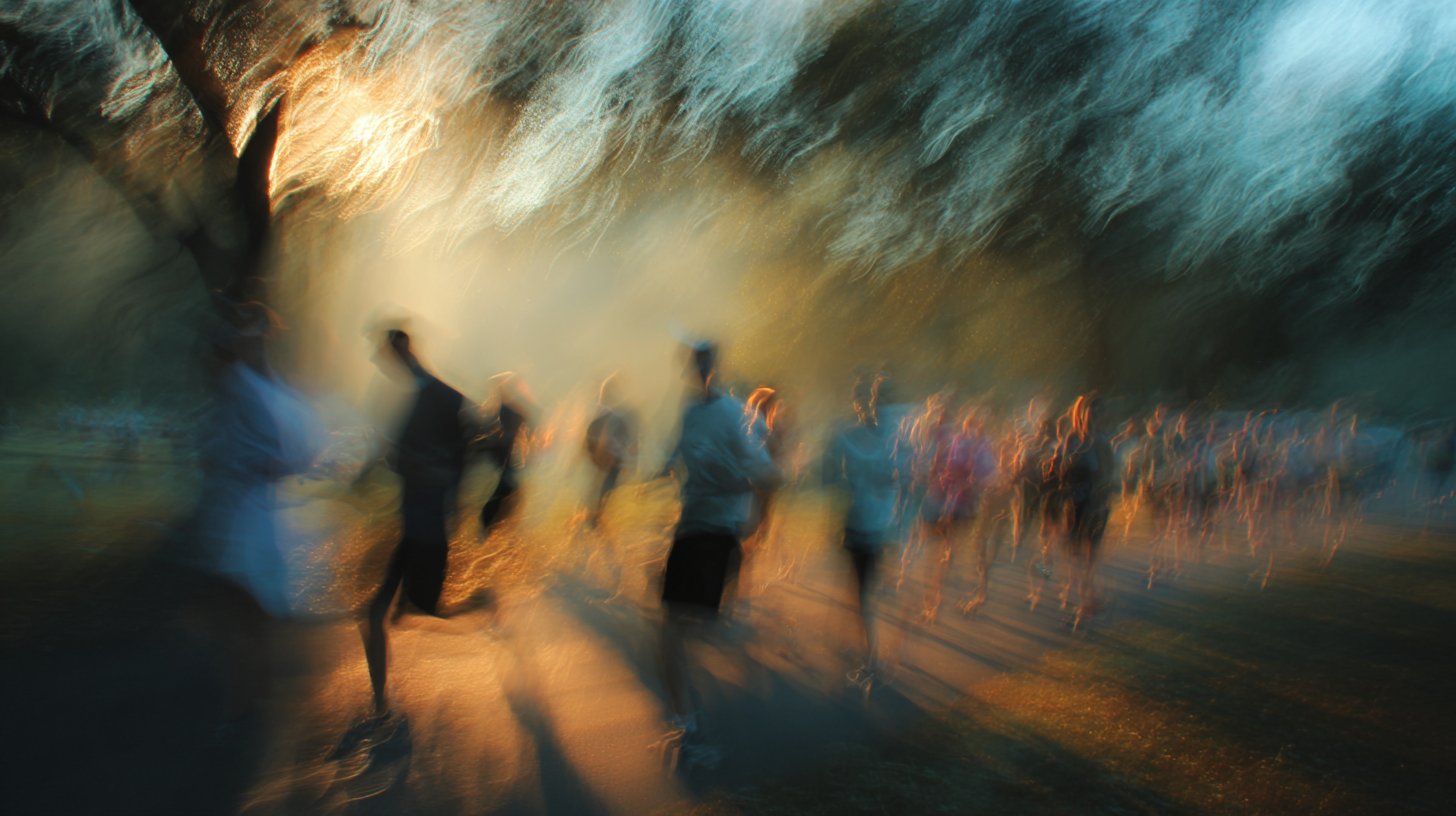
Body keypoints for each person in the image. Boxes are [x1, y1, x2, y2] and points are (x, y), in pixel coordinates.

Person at [654, 341, 781, 770]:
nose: (696, 371)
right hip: (690, 528)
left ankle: (705, 723)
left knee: (694, 629)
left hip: (718, 533)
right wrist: (648, 465)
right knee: (671, 632)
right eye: (691, 363)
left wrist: (743, 488)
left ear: (713, 367)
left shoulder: (733, 414)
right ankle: (690, 728)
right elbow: (668, 457)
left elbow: (768, 474)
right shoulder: (689, 413)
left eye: (703, 364)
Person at [362, 329, 482, 721]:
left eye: (386, 352)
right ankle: (380, 705)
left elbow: (465, 441)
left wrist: (454, 496)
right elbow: (404, 454)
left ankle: (481, 603)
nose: (382, 360)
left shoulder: (436, 395)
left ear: (402, 348)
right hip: (413, 524)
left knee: (427, 612)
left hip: (427, 530)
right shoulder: (413, 394)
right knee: (378, 616)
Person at [823, 372, 904, 689]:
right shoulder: (890, 437)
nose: (868, 405)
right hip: (871, 524)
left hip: (866, 524)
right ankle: (857, 649)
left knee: (864, 595)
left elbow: (832, 475)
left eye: (871, 399)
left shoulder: (856, 436)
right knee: (861, 591)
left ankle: (874, 662)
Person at [478, 373, 534, 533]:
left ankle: (489, 525)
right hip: (506, 454)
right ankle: (488, 525)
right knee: (508, 488)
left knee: (508, 489)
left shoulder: (507, 405)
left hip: (505, 454)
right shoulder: (509, 406)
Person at [583, 374, 638, 529]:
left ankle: (592, 514)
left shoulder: (611, 412)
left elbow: (627, 438)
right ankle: (592, 515)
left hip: (607, 455)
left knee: (601, 484)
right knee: (603, 484)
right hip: (607, 454)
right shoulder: (611, 412)